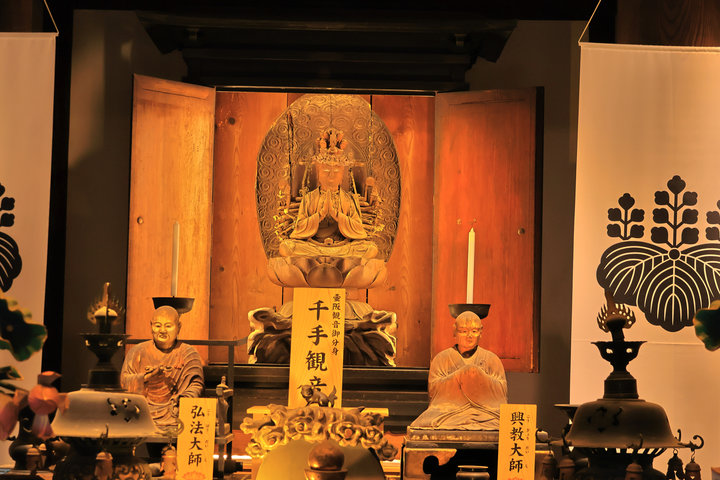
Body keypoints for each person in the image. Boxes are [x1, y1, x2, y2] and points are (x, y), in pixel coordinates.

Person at [279, 128, 377, 259]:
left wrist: (338, 216)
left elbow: (359, 228)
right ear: (318, 174)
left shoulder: (349, 199)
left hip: (343, 247)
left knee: (370, 248)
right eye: (325, 171)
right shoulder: (309, 198)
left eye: (336, 171)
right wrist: (319, 216)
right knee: (286, 247)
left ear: (342, 176)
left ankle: (325, 259)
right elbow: (299, 227)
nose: (331, 175)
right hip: (313, 246)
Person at [410, 311, 507, 430]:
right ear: (454, 332)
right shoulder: (441, 359)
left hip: (486, 412)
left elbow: (501, 392)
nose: (469, 336)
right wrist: (461, 376)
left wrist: (477, 376)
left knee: (503, 421)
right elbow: (434, 391)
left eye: (474, 331)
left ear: (481, 332)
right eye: (464, 331)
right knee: (429, 420)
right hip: (449, 412)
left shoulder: (492, 359)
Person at [120, 305, 204, 433]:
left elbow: (196, 385)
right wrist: (147, 377)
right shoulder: (138, 351)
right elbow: (124, 382)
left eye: (168, 326)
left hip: (174, 410)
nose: (162, 330)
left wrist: (183, 399)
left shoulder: (188, 353)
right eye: (158, 325)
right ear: (151, 326)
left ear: (179, 327)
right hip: (144, 410)